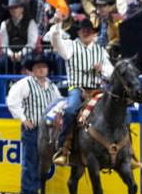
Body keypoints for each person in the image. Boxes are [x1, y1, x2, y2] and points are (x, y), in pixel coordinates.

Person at [45, 13, 115, 167]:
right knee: (70, 110)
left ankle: (125, 151)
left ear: (93, 32)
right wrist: (57, 26)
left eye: (89, 30)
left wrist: (102, 68)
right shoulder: (70, 45)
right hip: (77, 87)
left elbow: (111, 73)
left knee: (118, 110)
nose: (86, 32)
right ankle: (63, 148)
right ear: (78, 32)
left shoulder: (100, 51)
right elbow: (57, 43)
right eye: (83, 30)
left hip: (97, 91)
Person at [6, 54, 63, 194]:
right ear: (32, 70)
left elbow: (59, 104)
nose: (41, 70)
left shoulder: (52, 86)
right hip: (33, 128)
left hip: (49, 131)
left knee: (43, 162)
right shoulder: (25, 84)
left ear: (47, 70)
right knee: (30, 162)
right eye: (38, 67)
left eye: (44, 67)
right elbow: (12, 101)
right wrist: (23, 118)